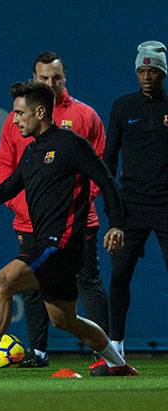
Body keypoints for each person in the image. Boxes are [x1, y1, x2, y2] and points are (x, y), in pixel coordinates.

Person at [0, 80, 138, 379]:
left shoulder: (71, 144)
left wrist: (116, 224)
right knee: (64, 319)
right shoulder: (31, 153)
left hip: (62, 244)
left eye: (19, 113)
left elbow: (107, 182)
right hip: (47, 243)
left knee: (1, 282)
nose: (14, 119)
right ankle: (117, 363)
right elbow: (5, 191)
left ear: (39, 112)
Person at [0, 52, 109, 368]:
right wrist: (28, 207)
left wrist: (71, 205)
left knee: (87, 283)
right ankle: (39, 352)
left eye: (56, 78)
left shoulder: (84, 117)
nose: (51, 83)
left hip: (74, 221)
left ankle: (107, 355)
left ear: (65, 77)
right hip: (30, 221)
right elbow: (6, 170)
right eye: (44, 78)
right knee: (40, 298)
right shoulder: (19, 120)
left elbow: (100, 168)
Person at [104, 40, 168, 357]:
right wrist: (114, 215)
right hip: (131, 206)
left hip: (166, 204)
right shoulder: (123, 107)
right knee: (119, 275)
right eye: (142, 70)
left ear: (162, 74)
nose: (146, 77)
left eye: (152, 71)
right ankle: (115, 347)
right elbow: (108, 162)